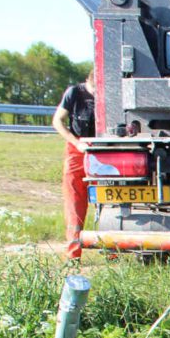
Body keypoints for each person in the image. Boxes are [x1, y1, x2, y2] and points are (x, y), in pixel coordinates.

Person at [52, 72, 97, 261]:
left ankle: (114, 251)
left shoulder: (111, 93)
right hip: (77, 150)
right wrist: (76, 142)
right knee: (74, 203)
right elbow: (57, 121)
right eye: (95, 90)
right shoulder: (74, 93)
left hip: (104, 149)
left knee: (110, 199)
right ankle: (73, 254)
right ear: (89, 82)